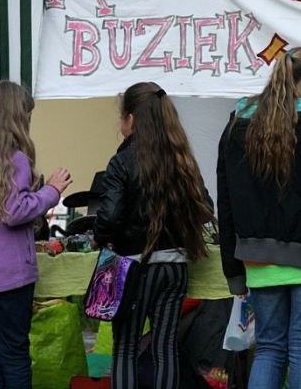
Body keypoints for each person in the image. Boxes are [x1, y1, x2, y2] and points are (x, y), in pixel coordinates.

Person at [217, 47, 301, 389]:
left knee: (269, 348)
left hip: (257, 260)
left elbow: (227, 202)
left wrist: (232, 270)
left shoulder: (236, 128)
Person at [93, 81, 215, 389]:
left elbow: (108, 217)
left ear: (132, 119)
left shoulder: (121, 162)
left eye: (121, 118)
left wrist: (101, 235)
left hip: (132, 268)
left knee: (126, 347)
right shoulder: (181, 159)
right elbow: (205, 209)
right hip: (174, 268)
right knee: (165, 349)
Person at [0, 81, 72, 389]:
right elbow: (14, 212)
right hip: (10, 277)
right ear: (18, 117)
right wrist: (51, 191)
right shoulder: (13, 158)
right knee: (14, 353)